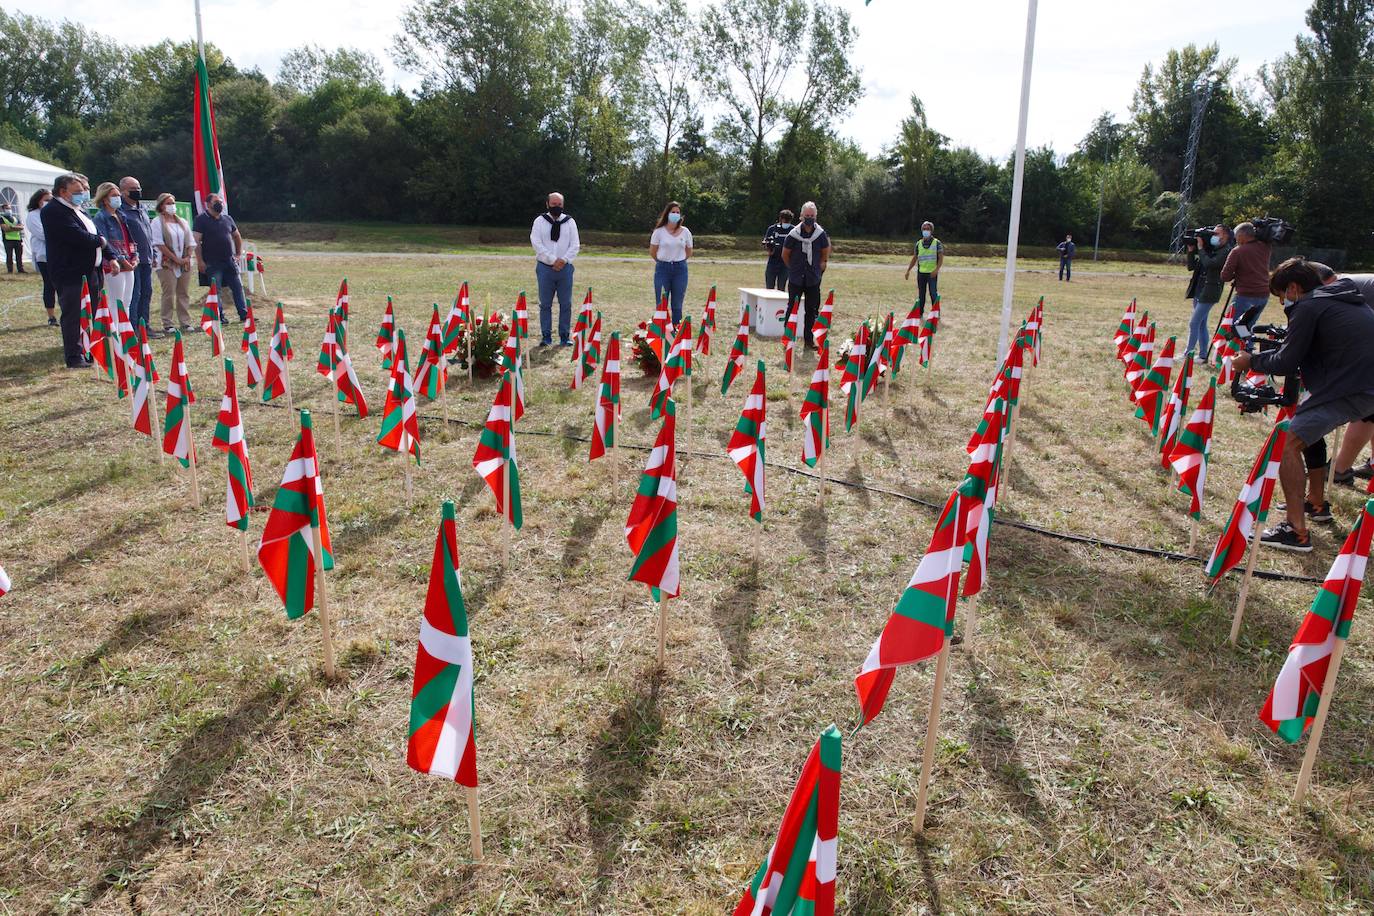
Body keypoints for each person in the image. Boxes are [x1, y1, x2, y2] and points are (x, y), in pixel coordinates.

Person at [1232, 259, 1374, 552]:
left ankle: (1295, 532)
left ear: (1294, 287)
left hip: (1354, 387)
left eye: (1283, 296)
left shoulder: (1308, 307)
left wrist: (1251, 361)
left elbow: (1286, 361)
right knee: (1308, 430)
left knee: (1287, 443)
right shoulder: (1341, 296)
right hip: (1360, 381)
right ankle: (1316, 503)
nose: (1284, 303)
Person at [41, 174, 111, 368]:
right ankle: (74, 356)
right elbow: (76, 236)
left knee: (91, 313)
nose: (82, 195)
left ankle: (89, 350)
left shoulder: (79, 210)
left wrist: (110, 254)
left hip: (92, 271)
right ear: (63, 191)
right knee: (73, 314)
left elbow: (96, 232)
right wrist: (101, 242)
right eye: (77, 192)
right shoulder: (53, 211)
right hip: (70, 273)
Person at [529, 191, 580, 346]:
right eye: (553, 204)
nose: (556, 207)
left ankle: (564, 336)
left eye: (559, 204)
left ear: (563, 205)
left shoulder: (570, 222)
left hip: (565, 269)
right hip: (545, 268)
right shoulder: (539, 221)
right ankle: (546, 337)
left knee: (566, 304)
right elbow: (536, 243)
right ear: (547, 204)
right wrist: (552, 260)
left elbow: (575, 244)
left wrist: (563, 260)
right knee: (545, 304)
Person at [781, 201, 830, 347]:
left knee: (811, 310)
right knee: (792, 308)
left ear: (816, 216)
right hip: (796, 278)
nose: (809, 217)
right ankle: (788, 339)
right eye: (807, 215)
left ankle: (808, 340)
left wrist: (820, 267)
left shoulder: (820, 234)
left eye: (812, 215)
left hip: (812, 279)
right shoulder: (793, 234)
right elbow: (785, 255)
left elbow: (825, 252)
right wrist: (793, 269)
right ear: (801, 216)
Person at [192, 192, 247, 321]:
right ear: (208, 204)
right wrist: (200, 261)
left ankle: (244, 314)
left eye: (221, 202)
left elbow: (237, 236)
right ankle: (219, 316)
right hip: (212, 262)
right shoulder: (201, 219)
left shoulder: (227, 218)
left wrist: (238, 254)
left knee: (238, 288)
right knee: (216, 291)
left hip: (229, 261)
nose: (220, 204)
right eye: (216, 202)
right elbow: (196, 241)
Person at [91, 182, 138, 316]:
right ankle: (115, 334)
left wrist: (135, 256)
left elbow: (130, 239)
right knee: (116, 302)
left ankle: (124, 333)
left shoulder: (121, 216)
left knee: (126, 302)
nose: (118, 198)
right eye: (114, 195)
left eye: (118, 195)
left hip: (129, 263)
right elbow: (106, 242)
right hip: (114, 265)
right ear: (105, 199)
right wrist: (122, 261)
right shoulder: (101, 218)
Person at [151, 193, 195, 334]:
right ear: (161, 206)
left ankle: (185, 322)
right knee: (168, 292)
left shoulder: (182, 221)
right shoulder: (157, 222)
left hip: (185, 263)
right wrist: (175, 259)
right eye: (168, 203)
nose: (172, 206)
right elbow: (159, 243)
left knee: (183, 293)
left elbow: (190, 241)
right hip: (166, 263)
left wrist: (187, 256)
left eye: (173, 203)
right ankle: (167, 323)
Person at [1184, 224, 1232, 354]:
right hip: (1199, 289)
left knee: (1194, 323)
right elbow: (1191, 266)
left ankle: (1188, 352)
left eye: (1217, 234)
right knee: (1201, 324)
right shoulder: (1210, 249)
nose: (1213, 237)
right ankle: (1203, 354)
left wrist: (1200, 248)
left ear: (1225, 235)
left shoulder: (1226, 251)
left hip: (1210, 291)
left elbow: (1210, 264)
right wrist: (1191, 250)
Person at [1219, 221, 1272, 330]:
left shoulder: (1237, 251)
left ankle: (1223, 346)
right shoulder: (1265, 248)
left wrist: (1236, 274)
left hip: (1245, 295)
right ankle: (1247, 345)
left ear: (1242, 235)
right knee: (1246, 326)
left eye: (1237, 236)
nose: (1236, 239)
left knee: (1228, 326)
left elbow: (1225, 276)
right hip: (1263, 294)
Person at [118, 176, 154, 332]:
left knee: (146, 292)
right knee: (135, 294)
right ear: (123, 192)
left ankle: (144, 325)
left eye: (138, 188)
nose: (137, 191)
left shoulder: (142, 208)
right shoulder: (120, 211)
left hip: (147, 258)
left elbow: (148, 233)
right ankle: (133, 328)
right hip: (132, 259)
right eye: (133, 189)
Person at [650, 201, 692, 326]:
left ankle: (676, 329)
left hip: (680, 270)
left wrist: (679, 260)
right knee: (661, 302)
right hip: (663, 269)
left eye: (677, 212)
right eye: (673, 212)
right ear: (667, 214)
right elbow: (653, 251)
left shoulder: (685, 232)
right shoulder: (659, 232)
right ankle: (660, 329)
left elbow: (689, 251)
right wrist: (662, 261)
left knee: (677, 304)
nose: (675, 214)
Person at [24, 189, 57, 326]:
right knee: (49, 285)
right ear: (38, 200)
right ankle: (51, 316)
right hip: (44, 256)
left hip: (59, 255)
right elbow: (43, 234)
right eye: (46, 199)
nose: (49, 202)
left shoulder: (54, 213)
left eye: (51, 199)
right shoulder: (33, 215)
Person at [903, 220, 943, 311]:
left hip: (932, 273)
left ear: (931, 230)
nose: (926, 231)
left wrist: (936, 270)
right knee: (921, 294)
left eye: (928, 229)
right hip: (921, 273)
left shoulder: (937, 243)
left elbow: (941, 258)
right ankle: (920, 313)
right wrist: (908, 270)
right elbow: (914, 258)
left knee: (933, 293)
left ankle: (936, 313)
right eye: (924, 229)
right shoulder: (918, 243)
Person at [762, 209, 794, 292]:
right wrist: (769, 249)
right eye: (784, 219)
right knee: (769, 287)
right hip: (773, 260)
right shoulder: (772, 229)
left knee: (781, 288)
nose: (785, 222)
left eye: (787, 220)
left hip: (785, 262)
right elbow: (766, 243)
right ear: (781, 219)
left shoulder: (793, 230)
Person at [1, 200, 24, 273]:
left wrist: (11, 227)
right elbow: (5, 229)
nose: (9, 210)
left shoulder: (16, 218)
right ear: (3, 209)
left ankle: (20, 270)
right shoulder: (1, 218)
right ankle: (10, 271)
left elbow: (21, 227)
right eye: (7, 208)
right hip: (8, 240)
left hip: (18, 239)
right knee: (9, 256)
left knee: (19, 256)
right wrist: (16, 227)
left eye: (9, 208)